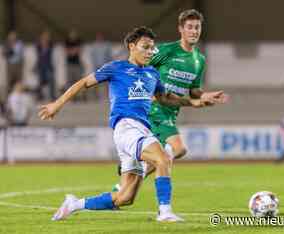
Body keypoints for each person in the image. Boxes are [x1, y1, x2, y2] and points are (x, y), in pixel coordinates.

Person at [39, 26, 226, 222]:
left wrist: (195, 102)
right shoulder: (116, 68)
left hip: (141, 129)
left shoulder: (153, 74)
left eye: (152, 48)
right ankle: (165, 211)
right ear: (132, 46)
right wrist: (56, 104)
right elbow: (83, 83)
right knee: (163, 158)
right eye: (145, 47)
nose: (150, 52)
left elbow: (165, 98)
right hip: (126, 126)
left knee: (125, 197)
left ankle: (74, 204)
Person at [113, 9, 229, 185]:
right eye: (189, 27)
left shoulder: (199, 59)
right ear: (181, 29)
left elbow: (194, 90)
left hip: (172, 113)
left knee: (165, 154)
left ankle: (129, 176)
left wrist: (205, 95)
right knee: (178, 149)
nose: (194, 31)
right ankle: (138, 178)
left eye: (197, 27)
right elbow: (138, 63)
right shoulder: (166, 50)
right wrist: (141, 91)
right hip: (155, 108)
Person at [2, 31, 24, 95]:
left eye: (14, 36)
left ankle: (20, 95)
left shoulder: (20, 43)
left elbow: (18, 53)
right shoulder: (7, 43)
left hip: (18, 64)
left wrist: (10, 51)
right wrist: (8, 51)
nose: (12, 38)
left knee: (19, 81)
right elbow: (4, 53)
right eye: (11, 36)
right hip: (10, 64)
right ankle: (9, 97)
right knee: (9, 82)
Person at [35, 31, 55, 101]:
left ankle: (52, 96)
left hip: (48, 66)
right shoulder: (39, 46)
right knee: (40, 82)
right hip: (41, 66)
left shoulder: (50, 45)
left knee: (51, 81)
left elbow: (50, 48)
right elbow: (39, 55)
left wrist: (47, 44)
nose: (44, 39)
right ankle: (39, 95)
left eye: (46, 38)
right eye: (43, 38)